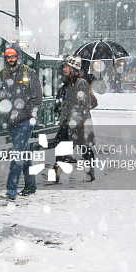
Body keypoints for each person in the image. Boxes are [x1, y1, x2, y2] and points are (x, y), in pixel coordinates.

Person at [0, 45, 42, 200]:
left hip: (26, 121)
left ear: (19, 56)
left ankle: (11, 191)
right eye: (8, 56)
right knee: (23, 153)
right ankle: (30, 186)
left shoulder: (29, 73)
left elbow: (37, 99)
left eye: (13, 56)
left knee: (17, 154)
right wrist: (6, 115)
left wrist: (22, 114)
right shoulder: (3, 74)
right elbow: (2, 97)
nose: (10, 59)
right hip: (12, 122)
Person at [55, 55, 97, 183]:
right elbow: (64, 101)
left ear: (73, 68)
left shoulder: (81, 83)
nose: (64, 69)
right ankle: (57, 170)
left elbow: (84, 104)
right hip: (68, 121)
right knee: (62, 146)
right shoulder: (67, 82)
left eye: (67, 67)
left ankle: (90, 171)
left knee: (85, 148)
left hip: (80, 123)